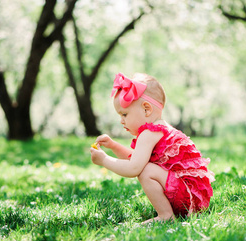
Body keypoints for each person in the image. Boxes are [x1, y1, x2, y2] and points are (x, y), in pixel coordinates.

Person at [90, 72, 215, 223]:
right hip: (191, 196)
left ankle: (166, 216)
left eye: (124, 114)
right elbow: (136, 158)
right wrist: (114, 146)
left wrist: (104, 160)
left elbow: (133, 168)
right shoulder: (159, 129)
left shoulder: (149, 133)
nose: (121, 121)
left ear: (146, 109)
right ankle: (168, 213)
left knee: (146, 171)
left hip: (185, 196)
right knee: (146, 167)